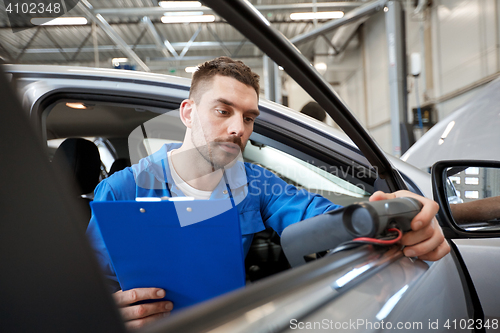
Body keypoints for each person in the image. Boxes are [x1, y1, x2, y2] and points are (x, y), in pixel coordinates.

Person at [86, 56, 449, 330]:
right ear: (187, 112)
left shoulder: (255, 183)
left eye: (248, 118)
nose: (236, 128)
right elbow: (87, 291)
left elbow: (317, 215)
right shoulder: (122, 190)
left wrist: (390, 218)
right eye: (222, 111)